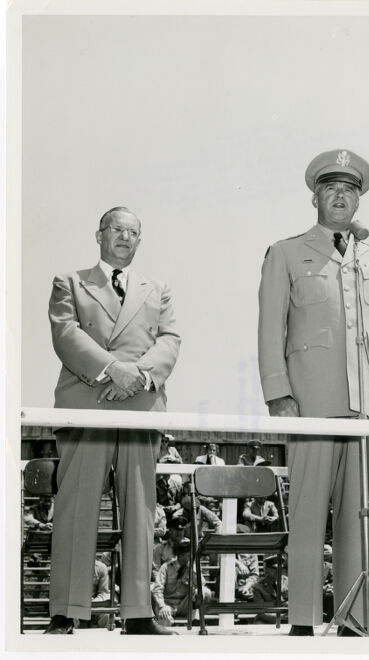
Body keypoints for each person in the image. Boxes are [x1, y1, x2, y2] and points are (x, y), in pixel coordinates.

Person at [258, 149, 369, 636]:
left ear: (359, 199)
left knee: (361, 516)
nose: (340, 197)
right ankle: (303, 620)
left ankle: (356, 619)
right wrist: (278, 394)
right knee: (307, 514)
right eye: (331, 189)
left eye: (349, 190)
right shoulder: (286, 252)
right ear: (315, 197)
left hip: (368, 409)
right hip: (311, 404)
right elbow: (270, 330)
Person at [45, 206, 181, 635]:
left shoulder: (157, 288)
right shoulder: (69, 282)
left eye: (133, 231)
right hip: (88, 403)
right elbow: (66, 334)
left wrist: (138, 375)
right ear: (99, 234)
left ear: (140, 241)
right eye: (117, 229)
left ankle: (140, 612)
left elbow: (169, 339)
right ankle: (67, 611)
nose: (125, 236)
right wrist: (110, 369)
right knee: (77, 508)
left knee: (142, 509)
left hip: (139, 406)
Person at [152, 538, 211, 626]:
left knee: (205, 592)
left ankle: (196, 617)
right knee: (165, 623)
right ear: (180, 555)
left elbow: (201, 585)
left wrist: (193, 570)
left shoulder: (193, 568)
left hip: (184, 605)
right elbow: (157, 590)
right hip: (168, 604)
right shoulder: (166, 567)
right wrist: (162, 606)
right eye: (189, 554)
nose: (192, 556)